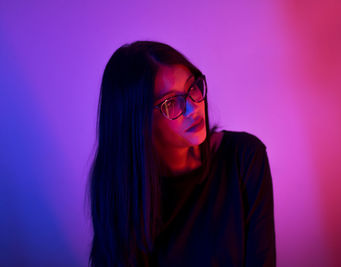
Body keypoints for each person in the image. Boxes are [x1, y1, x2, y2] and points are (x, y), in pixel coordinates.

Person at [88, 40, 276, 266]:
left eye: (192, 87)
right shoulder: (120, 194)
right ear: (137, 123)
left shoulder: (244, 158)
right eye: (170, 103)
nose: (192, 107)